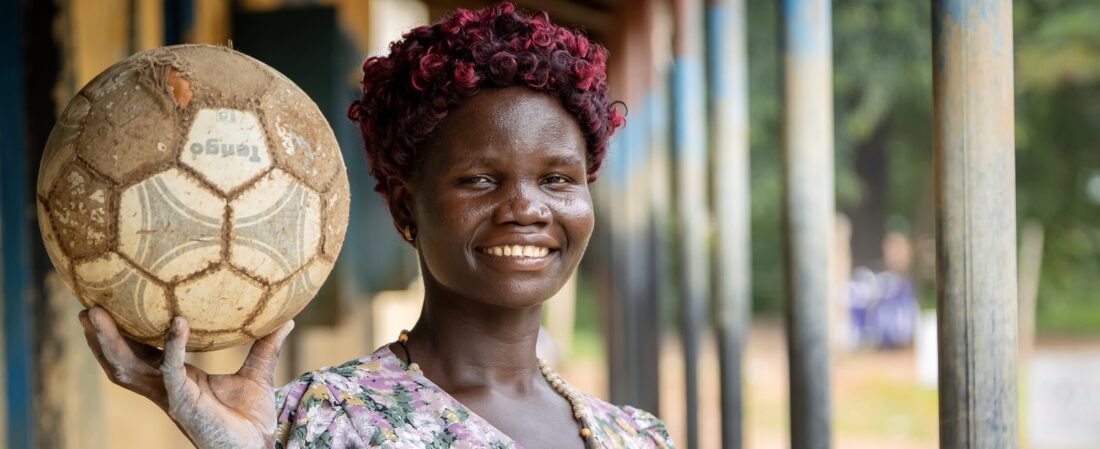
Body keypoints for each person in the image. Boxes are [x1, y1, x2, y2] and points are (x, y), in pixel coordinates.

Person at [78, 3, 673, 449]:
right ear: (405, 209)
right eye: (480, 180)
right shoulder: (321, 422)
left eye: (558, 180)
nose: (527, 207)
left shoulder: (637, 437)